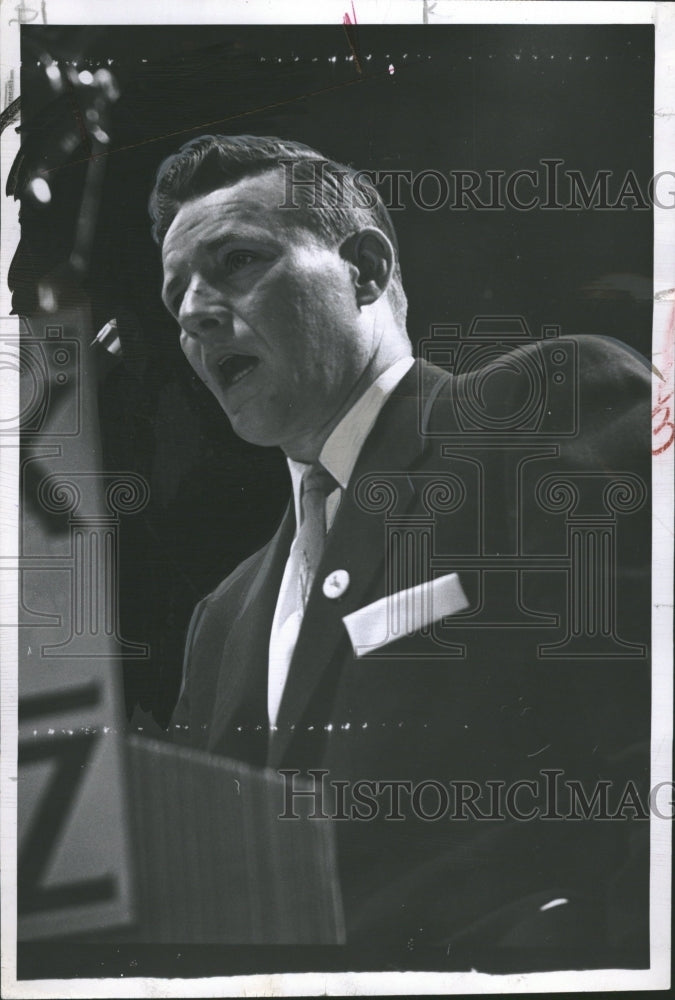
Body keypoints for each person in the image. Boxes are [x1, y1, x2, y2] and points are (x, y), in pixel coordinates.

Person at [149, 134, 651, 968]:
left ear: (366, 271)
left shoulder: (543, 411)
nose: (197, 313)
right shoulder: (222, 614)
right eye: (177, 300)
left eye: (236, 261)